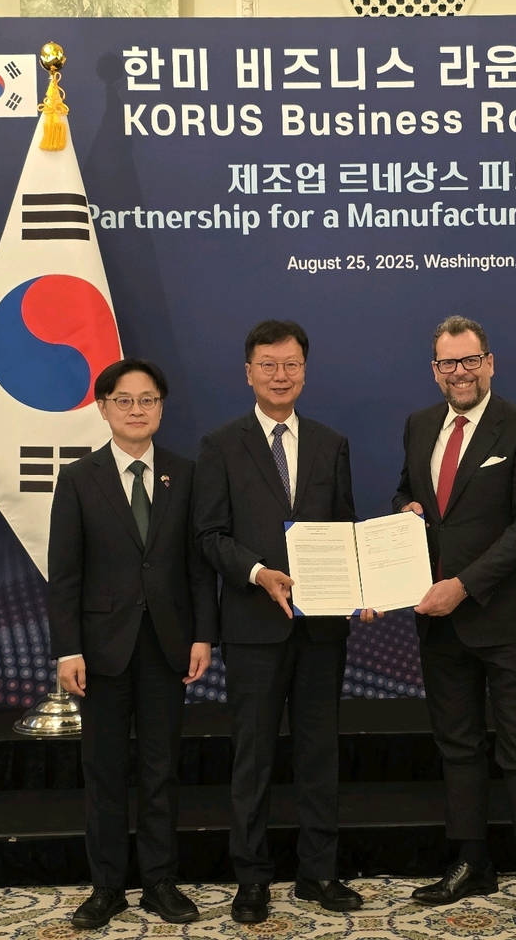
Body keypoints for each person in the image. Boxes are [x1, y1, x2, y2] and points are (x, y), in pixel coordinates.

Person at [194, 320, 369, 924]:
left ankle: (319, 873)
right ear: (248, 372)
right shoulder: (220, 445)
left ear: (305, 370)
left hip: (321, 628)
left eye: (291, 364)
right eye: (268, 365)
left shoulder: (330, 442)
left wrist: (360, 586)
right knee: (254, 757)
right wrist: (258, 571)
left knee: (320, 753)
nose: (280, 375)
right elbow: (209, 535)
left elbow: (345, 529)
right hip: (253, 628)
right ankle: (252, 879)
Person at [392, 315, 516, 927]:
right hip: (438, 621)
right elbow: (406, 494)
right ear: (434, 370)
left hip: (506, 617)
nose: (459, 373)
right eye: (447, 364)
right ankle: (471, 861)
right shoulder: (419, 426)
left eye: (469, 361)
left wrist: (462, 586)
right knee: (457, 745)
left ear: (489, 363)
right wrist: (404, 510)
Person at [49, 358, 218, 930]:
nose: (137, 409)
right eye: (124, 400)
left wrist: (202, 634)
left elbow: (199, 567)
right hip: (99, 651)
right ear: (103, 408)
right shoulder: (78, 479)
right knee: (103, 769)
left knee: (160, 768)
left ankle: (160, 884)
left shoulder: (186, 473)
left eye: (148, 399)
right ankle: (106, 888)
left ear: (162, 408)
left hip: (169, 645)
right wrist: (67, 648)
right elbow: (65, 573)